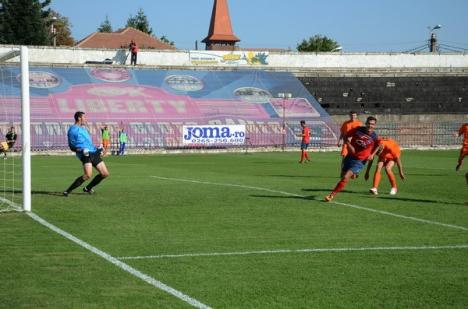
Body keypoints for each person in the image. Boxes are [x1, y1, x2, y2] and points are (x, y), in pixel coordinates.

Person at [325, 116, 380, 202]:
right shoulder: (358, 130)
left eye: (372, 124)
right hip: (350, 156)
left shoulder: (375, 137)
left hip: (360, 160)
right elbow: (345, 136)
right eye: (368, 123)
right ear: (366, 123)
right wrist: (349, 146)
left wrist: (372, 154)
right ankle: (354, 174)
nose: (370, 125)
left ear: (375, 125)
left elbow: (380, 145)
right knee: (342, 175)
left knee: (345, 177)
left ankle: (331, 195)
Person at [63, 111, 110, 197]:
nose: (86, 119)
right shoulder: (73, 130)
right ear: (79, 118)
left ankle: (88, 188)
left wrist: (98, 149)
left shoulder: (83, 129)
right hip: (85, 154)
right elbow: (71, 146)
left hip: (93, 153)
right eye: (84, 117)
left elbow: (88, 143)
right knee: (88, 175)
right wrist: (81, 150)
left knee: (105, 173)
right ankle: (68, 191)